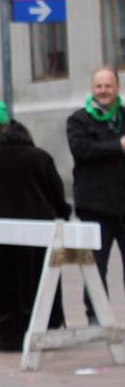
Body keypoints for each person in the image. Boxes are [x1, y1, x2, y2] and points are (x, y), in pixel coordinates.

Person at [0, 102, 71, 352]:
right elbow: (57, 195)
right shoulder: (40, 157)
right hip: (41, 234)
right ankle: (46, 327)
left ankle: (10, 334)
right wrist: (62, 216)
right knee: (39, 280)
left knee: (4, 283)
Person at [66, 66, 125, 326]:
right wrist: (118, 146)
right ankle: (95, 315)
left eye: (108, 86)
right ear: (92, 89)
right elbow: (82, 151)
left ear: (117, 88)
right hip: (95, 206)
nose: (103, 91)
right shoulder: (79, 120)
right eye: (98, 86)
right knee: (95, 267)